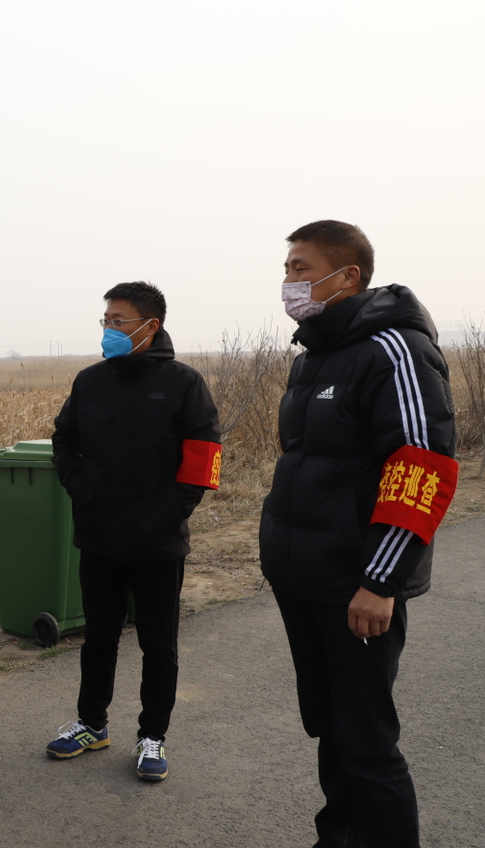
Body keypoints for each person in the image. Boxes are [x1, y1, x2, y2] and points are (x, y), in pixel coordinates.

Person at [260, 221, 455, 848]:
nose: (288, 281)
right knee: (332, 726)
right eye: (286, 269)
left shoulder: (395, 349)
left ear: (347, 275)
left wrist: (381, 581)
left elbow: (421, 466)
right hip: (306, 577)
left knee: (367, 741)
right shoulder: (314, 356)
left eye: (300, 268)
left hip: (356, 582)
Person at [45, 282, 221, 782]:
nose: (109, 329)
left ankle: (152, 737)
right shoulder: (90, 381)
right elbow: (65, 440)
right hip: (99, 536)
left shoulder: (183, 383)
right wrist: (79, 487)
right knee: (98, 640)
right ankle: (91, 724)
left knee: (158, 645)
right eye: (105, 321)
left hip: (157, 542)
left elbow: (204, 456)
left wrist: (173, 511)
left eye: (118, 321)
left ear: (150, 325)